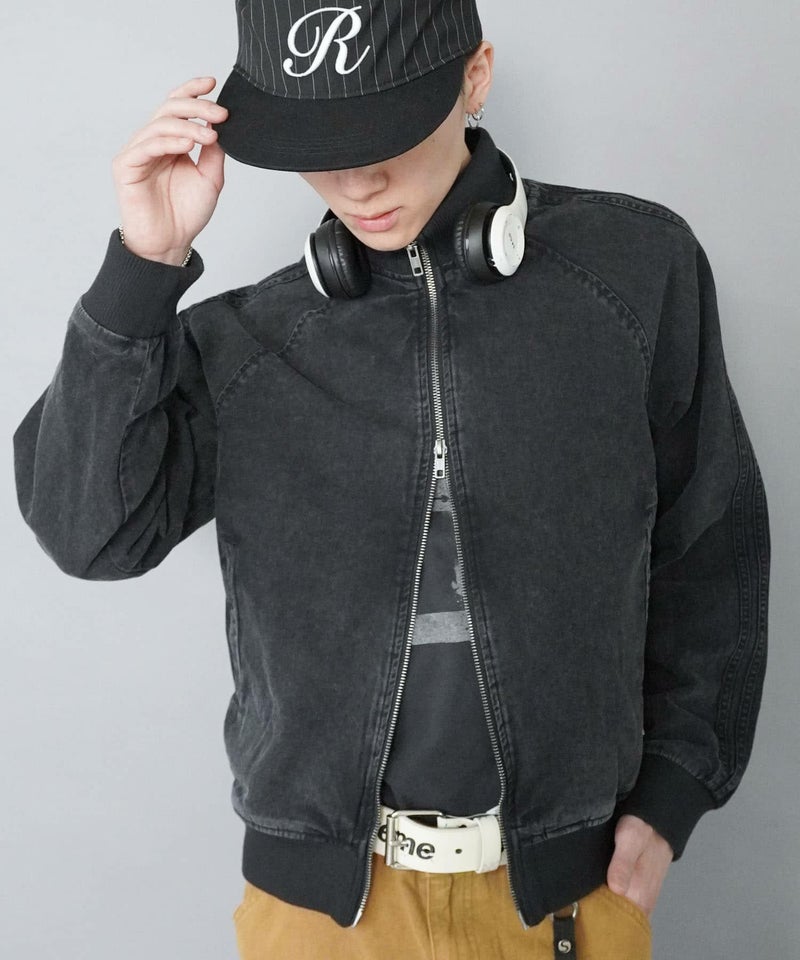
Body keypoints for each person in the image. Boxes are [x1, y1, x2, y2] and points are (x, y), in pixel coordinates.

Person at [12, 2, 771, 959]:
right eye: (319, 148)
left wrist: (672, 796)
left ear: (475, 77)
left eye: (385, 135)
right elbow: (88, 532)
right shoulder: (249, 342)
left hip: (567, 904)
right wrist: (144, 265)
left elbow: (711, 549)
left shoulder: (635, 273)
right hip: (321, 921)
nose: (357, 181)